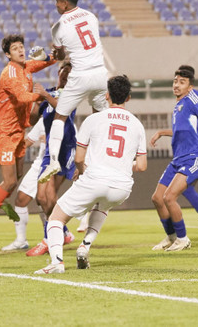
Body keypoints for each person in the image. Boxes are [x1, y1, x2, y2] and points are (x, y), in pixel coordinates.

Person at [35, 75, 147, 274]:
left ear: (107, 96)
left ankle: (57, 262)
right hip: (121, 187)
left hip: (95, 178)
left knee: (56, 218)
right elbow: (142, 166)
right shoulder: (137, 125)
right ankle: (85, 246)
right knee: (102, 207)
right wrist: (119, 165)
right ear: (128, 97)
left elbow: (79, 158)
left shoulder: (93, 119)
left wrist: (81, 171)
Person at [0, 34, 55, 247]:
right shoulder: (10, 72)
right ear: (7, 55)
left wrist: (54, 54)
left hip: (18, 130)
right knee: (10, 181)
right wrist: (44, 95)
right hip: (4, 131)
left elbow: (46, 61)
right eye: (15, 48)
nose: (20, 50)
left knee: (16, 177)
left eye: (22, 46)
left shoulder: (25, 67)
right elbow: (22, 97)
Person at [0, 62, 77, 253]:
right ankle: (62, 232)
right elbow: (33, 120)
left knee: (47, 195)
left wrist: (44, 95)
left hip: (65, 150)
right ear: (58, 73)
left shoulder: (73, 93)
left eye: (70, 72)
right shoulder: (49, 92)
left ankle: (49, 238)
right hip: (50, 151)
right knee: (42, 198)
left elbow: (63, 111)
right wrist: (36, 102)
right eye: (64, 71)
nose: (67, 74)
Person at [38, 0, 108, 184]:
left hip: (80, 75)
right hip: (100, 73)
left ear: (65, 3)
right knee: (99, 117)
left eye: (58, 2)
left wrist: (57, 51)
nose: (56, 5)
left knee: (60, 116)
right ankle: (99, 159)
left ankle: (53, 161)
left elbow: (60, 57)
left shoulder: (58, 27)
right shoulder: (91, 16)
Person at [151, 65, 198, 243]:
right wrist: (161, 132)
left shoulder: (193, 96)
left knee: (175, 193)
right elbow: (182, 130)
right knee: (166, 195)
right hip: (181, 156)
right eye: (175, 81)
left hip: (194, 154)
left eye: (182, 81)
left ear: (189, 85)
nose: (177, 84)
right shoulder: (180, 105)